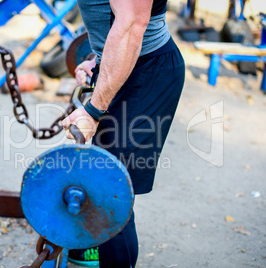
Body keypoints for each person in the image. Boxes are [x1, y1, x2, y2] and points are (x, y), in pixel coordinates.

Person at [62, 0, 185, 267]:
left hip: (147, 75)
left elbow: (132, 24)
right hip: (129, 67)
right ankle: (97, 248)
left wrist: (93, 111)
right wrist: (100, 59)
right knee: (104, 182)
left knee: (111, 193)